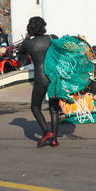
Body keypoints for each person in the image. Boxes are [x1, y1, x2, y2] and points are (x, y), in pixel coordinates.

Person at [17, 16, 60, 147]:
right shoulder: (53, 38)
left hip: (40, 78)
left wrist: (27, 37)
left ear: (30, 29)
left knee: (35, 107)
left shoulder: (28, 43)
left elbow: (20, 57)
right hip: (53, 77)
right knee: (54, 109)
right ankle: (54, 139)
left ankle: (47, 132)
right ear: (43, 26)